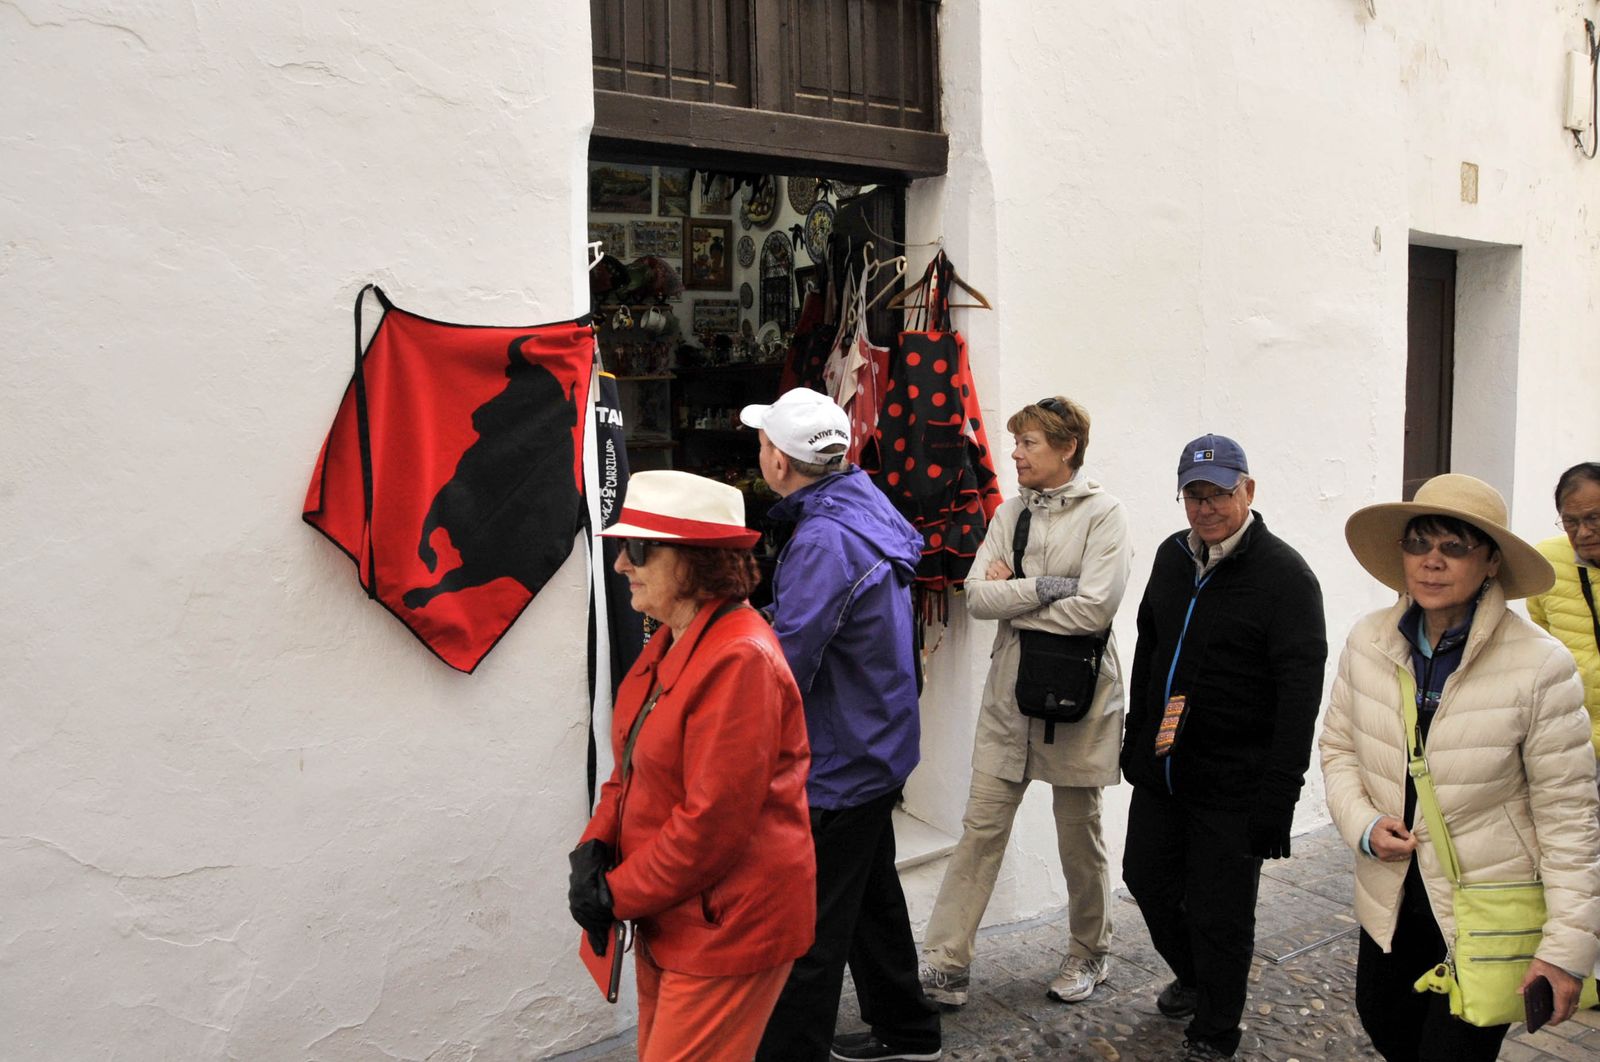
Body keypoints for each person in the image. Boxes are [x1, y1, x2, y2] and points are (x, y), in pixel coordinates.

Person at [1320, 472, 1600, 1061]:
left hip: (1486, 911)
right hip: (1391, 898)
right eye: (1418, 543)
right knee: (1385, 1025)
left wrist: (1565, 951)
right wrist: (1363, 825)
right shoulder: (1368, 640)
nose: (1432, 561)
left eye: (1455, 546)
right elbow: (1339, 748)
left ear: (1492, 561)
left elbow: (1570, 821)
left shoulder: (1541, 666)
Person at [569, 470, 816, 1061]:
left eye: (638, 549)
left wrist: (614, 895)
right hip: (675, 915)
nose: (621, 565)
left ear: (694, 561)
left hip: (726, 926)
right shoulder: (673, 640)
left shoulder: (739, 659)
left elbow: (711, 826)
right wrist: (595, 845)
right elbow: (629, 767)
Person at [741, 388, 941, 1062]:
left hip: (842, 757)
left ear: (780, 461)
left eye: (763, 444)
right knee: (871, 899)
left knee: (809, 926)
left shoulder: (824, 538)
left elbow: (790, 661)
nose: (761, 454)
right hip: (876, 740)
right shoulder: (857, 501)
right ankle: (908, 1029)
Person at [918, 396, 1131, 1007]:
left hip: (1079, 695)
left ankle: (1090, 951)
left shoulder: (1105, 515)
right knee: (980, 828)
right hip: (1009, 695)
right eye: (1016, 442)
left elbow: (1095, 609)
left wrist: (1013, 593)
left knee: (1078, 832)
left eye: (1028, 442)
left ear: (1067, 448)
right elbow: (976, 596)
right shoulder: (1009, 512)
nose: (1014, 453)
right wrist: (1046, 588)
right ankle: (945, 963)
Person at [1120, 434, 1328, 1061]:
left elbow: (1299, 697)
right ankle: (1195, 977)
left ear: (1249, 490)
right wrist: (1136, 736)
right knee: (1146, 880)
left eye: (1218, 494)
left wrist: (1279, 798)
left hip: (1236, 781)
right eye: (1194, 495)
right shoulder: (1171, 557)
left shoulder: (1285, 578)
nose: (1205, 508)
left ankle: (1214, 1031)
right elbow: (1149, 651)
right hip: (1165, 769)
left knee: (1222, 914)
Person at [1527, 462, 1600, 771]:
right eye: (1570, 521)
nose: (1583, 532)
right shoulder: (1546, 564)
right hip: (1571, 742)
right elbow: (1540, 637)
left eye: (1594, 518)